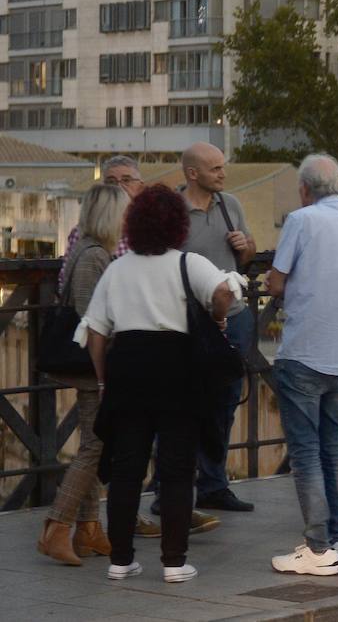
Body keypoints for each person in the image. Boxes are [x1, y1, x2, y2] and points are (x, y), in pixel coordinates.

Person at [77, 184, 237, 583]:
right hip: (176, 368)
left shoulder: (118, 268)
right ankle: (174, 561)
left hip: (128, 367)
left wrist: (102, 379)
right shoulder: (188, 264)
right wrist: (217, 319)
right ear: (178, 225)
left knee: (127, 465)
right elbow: (223, 292)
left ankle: (121, 559)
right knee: (178, 465)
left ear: (134, 224)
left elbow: (96, 334)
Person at [267, 153, 338, 576]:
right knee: (335, 448)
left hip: (305, 349)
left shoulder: (301, 220)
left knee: (307, 451)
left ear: (305, 189)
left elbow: (276, 279)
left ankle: (316, 547)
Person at [38, 184, 128, 567]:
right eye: (124, 211)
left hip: (92, 366)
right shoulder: (94, 256)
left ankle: (89, 528)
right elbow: (95, 319)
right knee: (95, 446)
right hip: (94, 367)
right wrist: (107, 374)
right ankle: (57, 526)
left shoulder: (87, 248)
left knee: (95, 441)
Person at [178, 142, 257, 514]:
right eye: (215, 169)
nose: (223, 174)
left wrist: (246, 246)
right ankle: (170, 489)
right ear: (193, 173)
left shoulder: (231, 205)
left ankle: (213, 485)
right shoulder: (175, 212)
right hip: (190, 322)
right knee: (181, 404)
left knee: (225, 403)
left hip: (234, 317)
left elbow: (249, 254)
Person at [58, 154, 141, 290]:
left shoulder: (148, 230)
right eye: (111, 182)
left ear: (140, 186)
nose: (119, 187)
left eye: (126, 180)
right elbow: (65, 282)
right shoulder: (83, 231)